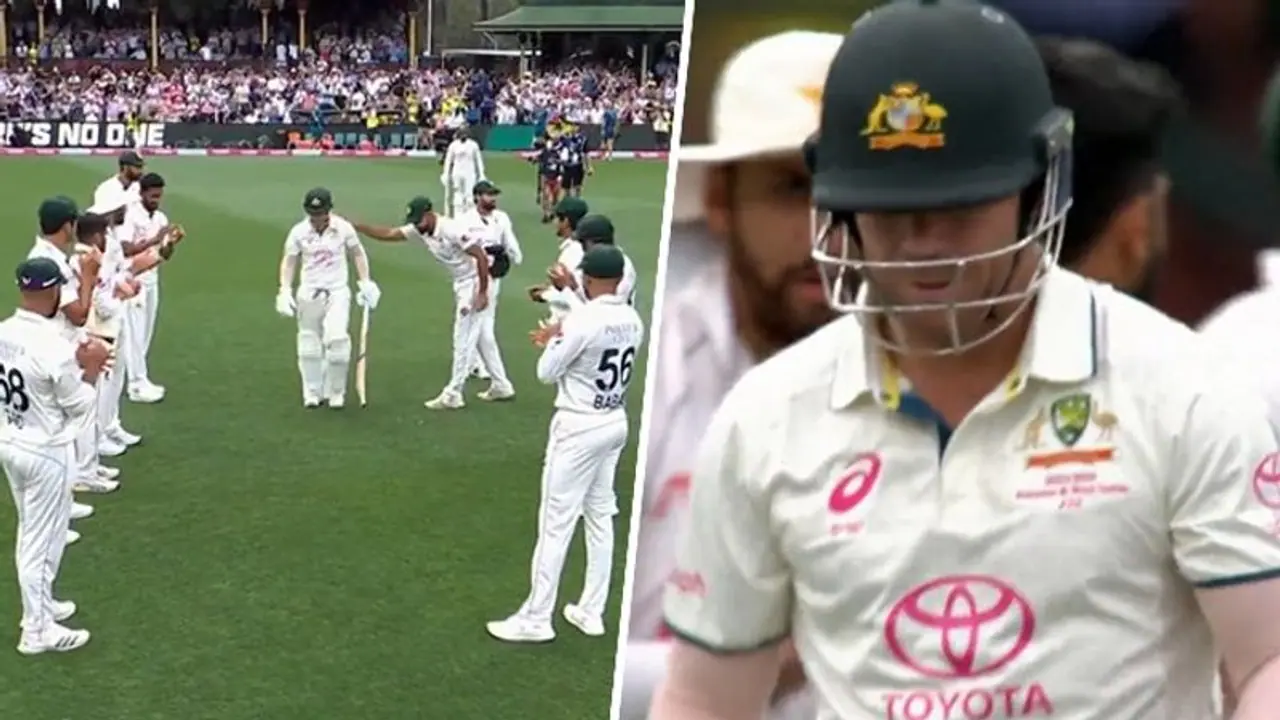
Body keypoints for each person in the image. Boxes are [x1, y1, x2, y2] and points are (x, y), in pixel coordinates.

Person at [653, 3, 1280, 719]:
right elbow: (704, 699)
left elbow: (1267, 658)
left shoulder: (1180, 387)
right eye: (890, 209)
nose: (923, 244)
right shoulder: (766, 415)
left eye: (958, 207)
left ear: (1038, 186)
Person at [617, 29, 843, 720]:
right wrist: (754, 663)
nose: (826, 231)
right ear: (722, 199)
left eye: (857, 191)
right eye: (792, 188)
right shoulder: (654, 365)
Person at [486, 244, 643, 644]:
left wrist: (556, 337)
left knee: (555, 523)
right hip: (614, 421)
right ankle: (591, 611)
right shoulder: (632, 318)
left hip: (578, 426)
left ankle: (536, 618)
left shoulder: (582, 321)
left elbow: (545, 371)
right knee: (600, 515)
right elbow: (594, 325)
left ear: (587, 278)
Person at [0, 256, 112, 655]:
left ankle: (41, 607)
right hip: (46, 451)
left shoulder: (4, 331)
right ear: (51, 291)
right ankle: (37, 630)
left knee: (31, 533)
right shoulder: (53, 347)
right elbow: (80, 407)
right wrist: (92, 368)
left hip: (11, 441)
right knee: (42, 541)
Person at [353, 196, 491, 410]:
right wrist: (358, 226)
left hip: (473, 281)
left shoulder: (451, 229)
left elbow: (480, 256)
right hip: (460, 282)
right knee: (479, 335)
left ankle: (454, 393)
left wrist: (482, 292)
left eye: (419, 220)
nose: (417, 225)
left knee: (462, 338)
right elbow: (389, 234)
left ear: (430, 214)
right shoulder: (421, 229)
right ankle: (501, 384)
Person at [28, 196, 102, 548]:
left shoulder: (48, 256)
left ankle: (64, 503)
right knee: (58, 432)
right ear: (67, 225)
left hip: (57, 348)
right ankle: (54, 518)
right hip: (54, 353)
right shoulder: (49, 261)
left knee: (64, 433)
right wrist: (88, 276)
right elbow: (78, 313)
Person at [275, 188, 381, 409]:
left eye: (321, 214)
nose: (317, 219)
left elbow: (357, 253)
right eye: (313, 214)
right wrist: (284, 289)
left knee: (338, 341)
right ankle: (312, 392)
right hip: (309, 291)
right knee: (309, 344)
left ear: (329, 211)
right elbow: (290, 260)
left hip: (337, 291)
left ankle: (336, 392)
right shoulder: (298, 232)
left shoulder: (343, 228)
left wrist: (365, 281)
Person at [460, 180, 521, 399]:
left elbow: (509, 241)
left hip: (493, 278)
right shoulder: (465, 220)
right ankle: (478, 368)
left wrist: (513, 256)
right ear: (477, 197)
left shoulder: (501, 218)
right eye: (488, 195)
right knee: (477, 327)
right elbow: (462, 249)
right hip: (471, 279)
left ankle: (488, 375)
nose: (493, 199)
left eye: (494, 195)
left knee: (483, 326)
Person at [121, 172, 174, 404]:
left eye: (159, 196)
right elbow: (125, 249)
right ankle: (135, 384)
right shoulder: (130, 215)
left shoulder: (160, 218)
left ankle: (139, 377)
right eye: (152, 196)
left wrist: (170, 242)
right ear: (141, 193)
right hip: (134, 280)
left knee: (145, 333)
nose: (156, 200)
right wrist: (155, 239)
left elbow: (164, 254)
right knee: (134, 333)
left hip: (152, 278)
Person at [553, 214, 638, 306]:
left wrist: (568, 289)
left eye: (582, 242)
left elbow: (602, 309)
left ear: (590, 243)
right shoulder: (605, 261)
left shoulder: (620, 266)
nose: (581, 247)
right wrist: (573, 286)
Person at [530, 197, 589, 323]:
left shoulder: (573, 252)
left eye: (556, 218)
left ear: (566, 221)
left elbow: (573, 293)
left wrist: (543, 295)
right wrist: (548, 288)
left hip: (569, 322)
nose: (555, 222)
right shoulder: (582, 247)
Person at [443, 126, 485, 217]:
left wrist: (482, 174)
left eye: (465, 133)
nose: (463, 135)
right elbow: (448, 160)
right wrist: (445, 173)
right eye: (461, 133)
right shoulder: (453, 145)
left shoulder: (473, 145)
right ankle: (458, 215)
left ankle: (470, 215)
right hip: (457, 173)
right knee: (458, 194)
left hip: (470, 172)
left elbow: (478, 160)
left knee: (469, 195)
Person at [533, 135, 563, 223]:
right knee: (546, 195)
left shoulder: (560, 152)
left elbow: (562, 165)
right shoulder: (544, 152)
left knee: (555, 197)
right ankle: (546, 214)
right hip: (546, 176)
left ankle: (553, 212)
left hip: (556, 177)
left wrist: (560, 176)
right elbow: (537, 159)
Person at [558, 125, 591, 198]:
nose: (573, 127)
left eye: (575, 126)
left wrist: (589, 167)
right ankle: (568, 201)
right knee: (566, 187)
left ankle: (577, 200)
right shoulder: (564, 138)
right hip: (567, 166)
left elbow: (585, 153)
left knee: (578, 186)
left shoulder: (583, 139)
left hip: (578, 165)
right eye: (572, 125)